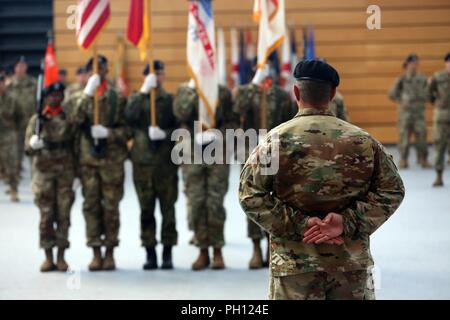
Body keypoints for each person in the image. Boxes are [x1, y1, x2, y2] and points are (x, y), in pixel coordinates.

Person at [239, 60, 405, 300]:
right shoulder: (363, 140)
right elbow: (393, 190)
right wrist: (346, 222)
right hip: (350, 266)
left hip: (294, 267)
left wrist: (301, 224)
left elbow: (250, 195)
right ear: (333, 94)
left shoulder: (274, 141)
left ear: (296, 92)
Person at [233, 62, 295, 269]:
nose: (266, 71)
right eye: (261, 68)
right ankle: (256, 247)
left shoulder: (280, 95)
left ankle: (272, 244)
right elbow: (238, 108)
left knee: (276, 199)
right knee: (252, 198)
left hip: (276, 151)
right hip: (251, 152)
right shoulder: (244, 92)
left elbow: (290, 122)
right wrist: (254, 84)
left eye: (268, 67)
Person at [173, 80, 236, 271]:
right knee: (197, 202)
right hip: (192, 153)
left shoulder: (222, 91)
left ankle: (217, 250)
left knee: (215, 202)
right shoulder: (184, 91)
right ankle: (202, 250)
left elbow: (232, 121)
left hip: (217, 153)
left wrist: (220, 136)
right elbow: (180, 114)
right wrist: (196, 92)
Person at [74, 55, 129, 271]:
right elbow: (74, 121)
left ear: (107, 71)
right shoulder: (81, 96)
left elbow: (127, 130)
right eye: (93, 70)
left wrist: (109, 133)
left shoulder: (117, 98)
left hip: (111, 161)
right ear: (88, 73)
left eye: (101, 69)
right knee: (91, 207)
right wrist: (88, 93)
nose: (98, 73)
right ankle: (95, 251)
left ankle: (110, 252)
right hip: (88, 161)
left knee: (111, 207)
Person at [125, 61, 179, 270]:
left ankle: (167, 252)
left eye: (161, 74)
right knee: (146, 209)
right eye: (153, 75)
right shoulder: (136, 99)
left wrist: (164, 134)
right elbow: (129, 116)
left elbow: (178, 129)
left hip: (165, 164)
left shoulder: (169, 100)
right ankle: (150, 252)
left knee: (168, 210)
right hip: (143, 164)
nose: (158, 78)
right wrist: (142, 92)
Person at [24, 82, 78, 272]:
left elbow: (76, 145)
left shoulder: (68, 119)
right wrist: (33, 143)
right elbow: (27, 149)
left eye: (58, 95)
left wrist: (77, 174)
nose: (55, 98)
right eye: (51, 95)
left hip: (65, 172)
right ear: (46, 98)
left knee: (63, 215)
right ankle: (48, 256)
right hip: (43, 174)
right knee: (46, 216)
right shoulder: (37, 120)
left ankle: (61, 256)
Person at [389, 54, 430, 169]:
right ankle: (403, 159)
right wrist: (401, 100)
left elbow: (429, 94)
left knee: (422, 136)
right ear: (406, 64)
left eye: (415, 63)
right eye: (411, 63)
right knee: (404, 138)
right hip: (405, 114)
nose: (413, 66)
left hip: (419, 114)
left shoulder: (422, 79)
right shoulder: (401, 79)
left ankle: (423, 159)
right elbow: (392, 94)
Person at [7, 56, 37, 175]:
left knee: (32, 152)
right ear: (15, 68)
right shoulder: (9, 85)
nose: (21, 68)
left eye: (23, 66)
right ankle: (14, 180)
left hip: (30, 123)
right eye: (19, 66)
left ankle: (34, 174)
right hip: (14, 125)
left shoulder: (33, 83)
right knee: (15, 154)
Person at [428, 52, 450, 187]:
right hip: (441, 116)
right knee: (439, 145)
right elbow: (429, 93)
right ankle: (439, 175)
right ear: (446, 63)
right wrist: (438, 104)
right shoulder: (438, 77)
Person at [0, 74, 22, 201]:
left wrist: (16, 131)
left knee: (11, 163)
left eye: (1, 82)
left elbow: (20, 115)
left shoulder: (12, 99)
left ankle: (14, 189)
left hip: (9, 135)